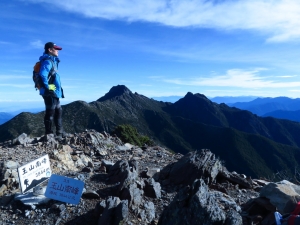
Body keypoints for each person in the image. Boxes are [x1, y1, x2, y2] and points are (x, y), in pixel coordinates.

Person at [39, 42, 68, 140]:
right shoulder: (48, 61)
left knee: (58, 111)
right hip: (49, 92)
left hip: (54, 92)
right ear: (49, 50)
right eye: (55, 49)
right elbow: (42, 74)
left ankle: (60, 132)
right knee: (50, 113)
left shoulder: (53, 61)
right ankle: (49, 134)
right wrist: (48, 87)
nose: (58, 51)